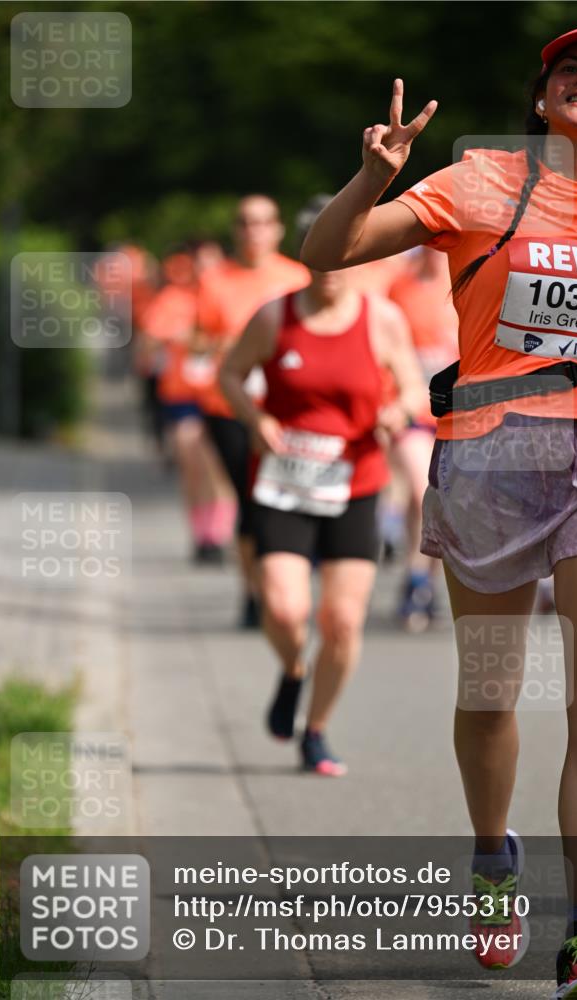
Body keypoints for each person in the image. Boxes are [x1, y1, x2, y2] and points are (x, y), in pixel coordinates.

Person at [301, 23, 577, 999]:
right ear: (540, 100)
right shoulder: (483, 183)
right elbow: (325, 251)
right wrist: (374, 177)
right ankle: (493, 856)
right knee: (492, 691)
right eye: (569, 69)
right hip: (491, 462)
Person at [220, 198, 426, 775]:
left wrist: (398, 412)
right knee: (285, 609)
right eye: (321, 256)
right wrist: (256, 418)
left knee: (341, 621)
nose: (332, 268)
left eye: (344, 256)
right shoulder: (274, 317)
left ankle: (315, 729)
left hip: (355, 485)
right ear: (306, 256)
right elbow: (229, 374)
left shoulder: (382, 319)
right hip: (284, 483)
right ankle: (293, 669)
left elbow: (413, 386)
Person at [196, 196, 310, 625]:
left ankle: (284, 587)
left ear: (278, 229)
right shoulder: (214, 280)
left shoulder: (296, 277)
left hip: (285, 407)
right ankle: (253, 593)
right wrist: (231, 346)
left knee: (282, 502)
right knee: (250, 501)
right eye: (245, 223)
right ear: (235, 230)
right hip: (230, 407)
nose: (254, 231)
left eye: (263, 222)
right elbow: (197, 340)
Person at [141, 247, 235, 562]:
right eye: (200, 265)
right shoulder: (174, 299)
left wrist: (208, 343)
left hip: (220, 394)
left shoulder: (229, 294)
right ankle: (200, 534)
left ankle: (218, 534)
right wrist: (175, 337)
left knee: (219, 466)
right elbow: (150, 337)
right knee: (191, 461)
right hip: (183, 394)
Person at [387, 246, 459, 629]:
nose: (436, 253)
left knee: (442, 501)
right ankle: (417, 581)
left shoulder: (470, 283)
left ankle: (423, 581)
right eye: (430, 245)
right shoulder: (400, 288)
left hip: (459, 412)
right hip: (414, 409)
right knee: (421, 491)